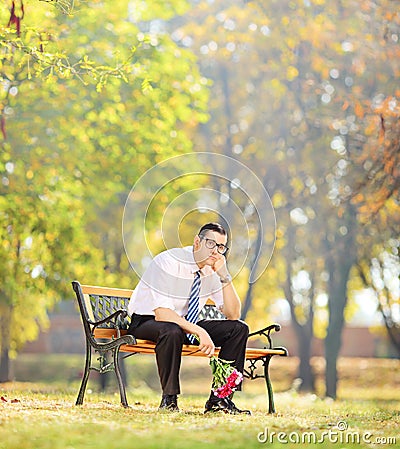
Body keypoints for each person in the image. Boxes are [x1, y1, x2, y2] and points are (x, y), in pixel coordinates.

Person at [127, 222, 250, 414]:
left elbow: (233, 314)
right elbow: (162, 314)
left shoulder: (212, 271)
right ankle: (169, 400)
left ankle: (220, 400)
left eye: (221, 247)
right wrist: (199, 331)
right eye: (211, 244)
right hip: (146, 321)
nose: (215, 251)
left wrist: (225, 275)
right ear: (197, 242)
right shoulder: (168, 262)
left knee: (239, 328)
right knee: (171, 329)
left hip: (184, 324)